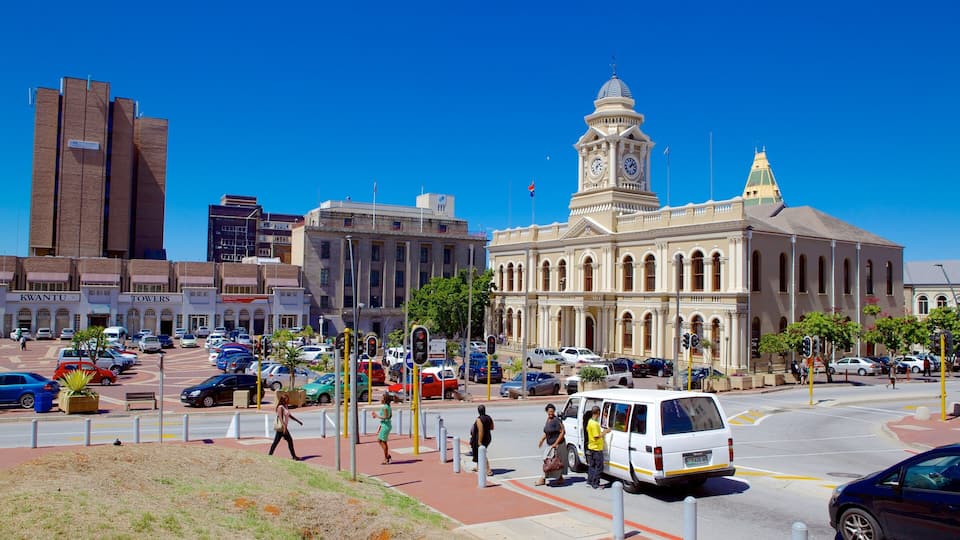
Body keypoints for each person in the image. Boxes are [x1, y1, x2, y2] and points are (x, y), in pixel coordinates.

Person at [535, 403, 567, 486]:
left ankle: (543, 479)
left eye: (552, 411)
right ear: (546, 411)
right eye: (549, 411)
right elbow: (547, 432)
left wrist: (555, 443)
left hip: (558, 445)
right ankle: (560, 478)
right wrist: (542, 440)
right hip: (551, 445)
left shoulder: (556, 420)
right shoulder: (548, 420)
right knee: (555, 463)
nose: (551, 413)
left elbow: (563, 432)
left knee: (548, 462)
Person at [268, 393, 303, 460]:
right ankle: (294, 457)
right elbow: (281, 418)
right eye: (287, 399)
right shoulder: (280, 407)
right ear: (283, 400)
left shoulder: (285, 406)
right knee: (285, 441)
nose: (288, 400)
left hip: (284, 428)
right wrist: (284, 428)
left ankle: (270, 454)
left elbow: (289, 415)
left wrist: (298, 421)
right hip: (282, 428)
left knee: (279, 442)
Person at [586, 405, 610, 489]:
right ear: (598, 413)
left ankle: (589, 481)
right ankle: (595, 483)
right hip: (597, 448)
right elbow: (596, 436)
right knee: (599, 467)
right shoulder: (595, 424)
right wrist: (605, 432)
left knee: (592, 465)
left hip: (591, 447)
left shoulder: (590, 421)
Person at [470, 404, 494, 475]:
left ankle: (488, 470)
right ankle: (478, 467)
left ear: (478, 411)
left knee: (482, 453)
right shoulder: (489, 417)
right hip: (488, 437)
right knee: (478, 452)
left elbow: (481, 430)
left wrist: (479, 441)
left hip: (482, 438)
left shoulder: (479, 419)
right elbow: (492, 427)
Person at [372, 393, 393, 464]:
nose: (381, 399)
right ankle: (387, 456)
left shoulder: (385, 407)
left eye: (382, 398)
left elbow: (386, 417)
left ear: (385, 400)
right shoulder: (388, 407)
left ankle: (386, 458)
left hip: (386, 426)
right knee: (381, 441)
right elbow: (390, 416)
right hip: (386, 425)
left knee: (382, 441)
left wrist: (377, 416)